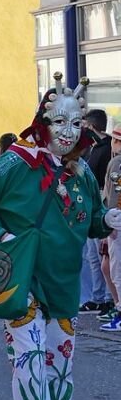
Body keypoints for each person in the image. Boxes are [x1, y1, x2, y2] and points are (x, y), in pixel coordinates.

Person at [0, 75, 121, 400]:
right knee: (30, 360)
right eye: (58, 123)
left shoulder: (81, 172)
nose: (66, 133)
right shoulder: (16, 164)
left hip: (64, 284)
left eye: (74, 125)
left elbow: (91, 220)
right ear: (42, 124)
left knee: (59, 362)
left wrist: (108, 219)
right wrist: (2, 236)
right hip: (24, 282)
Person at [79, 108, 113, 312]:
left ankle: (107, 297)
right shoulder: (93, 149)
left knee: (102, 256)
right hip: (93, 204)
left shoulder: (106, 149)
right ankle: (97, 295)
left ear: (91, 126)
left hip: (100, 204)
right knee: (93, 256)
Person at [100, 124, 121, 331]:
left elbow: (115, 194)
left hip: (117, 220)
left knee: (116, 269)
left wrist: (110, 224)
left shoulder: (117, 162)